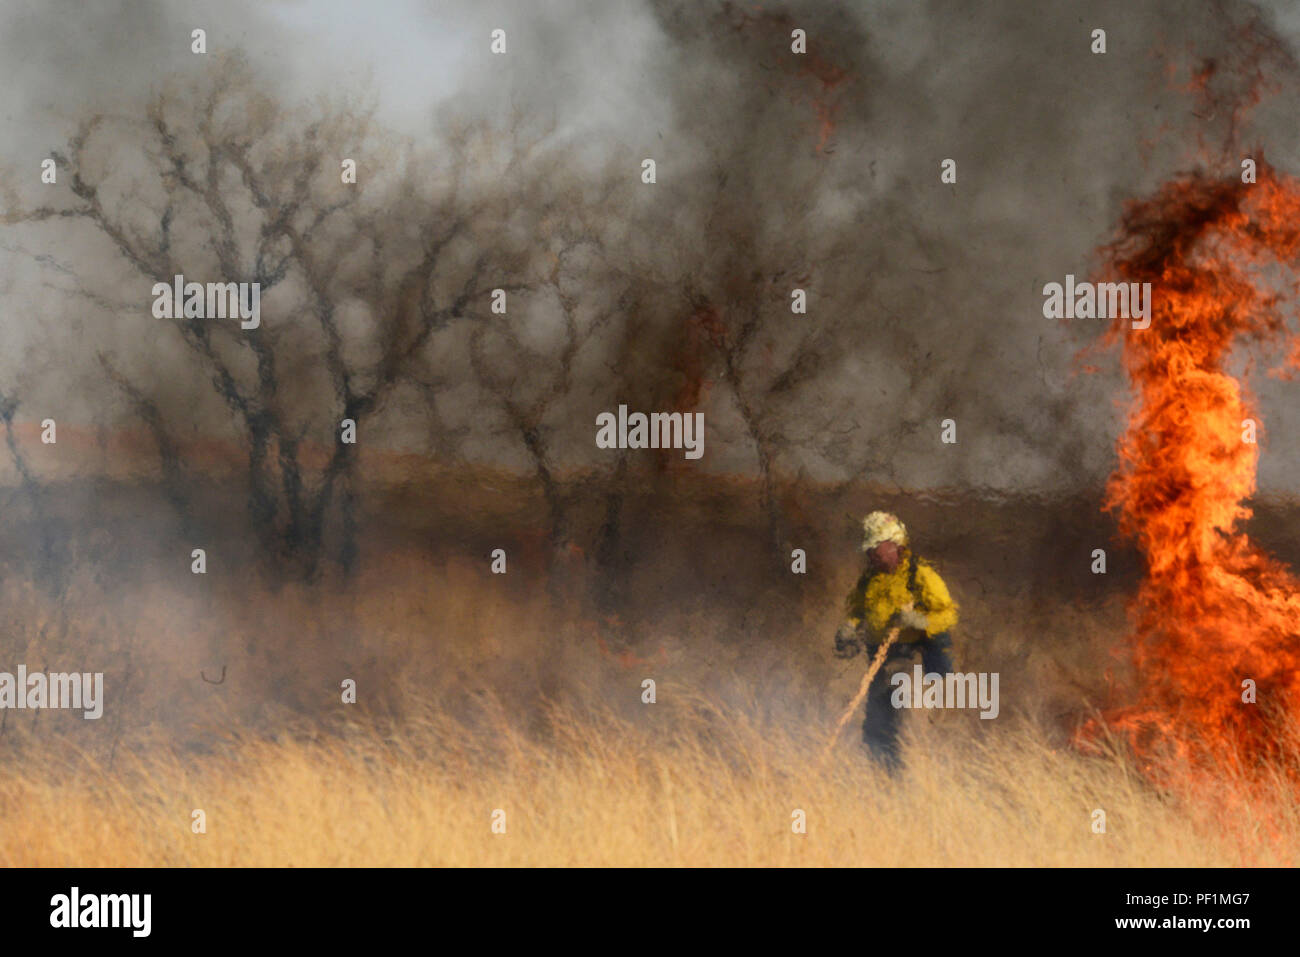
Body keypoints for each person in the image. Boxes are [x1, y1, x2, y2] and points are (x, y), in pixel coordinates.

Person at [833, 511, 959, 769]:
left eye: (876, 549)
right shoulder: (869, 580)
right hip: (880, 656)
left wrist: (921, 622)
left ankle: (905, 776)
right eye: (869, 551)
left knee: (898, 718)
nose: (872, 555)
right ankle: (884, 778)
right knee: (875, 725)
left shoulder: (920, 575)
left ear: (895, 545)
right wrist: (849, 627)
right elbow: (857, 610)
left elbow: (948, 614)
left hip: (910, 656)